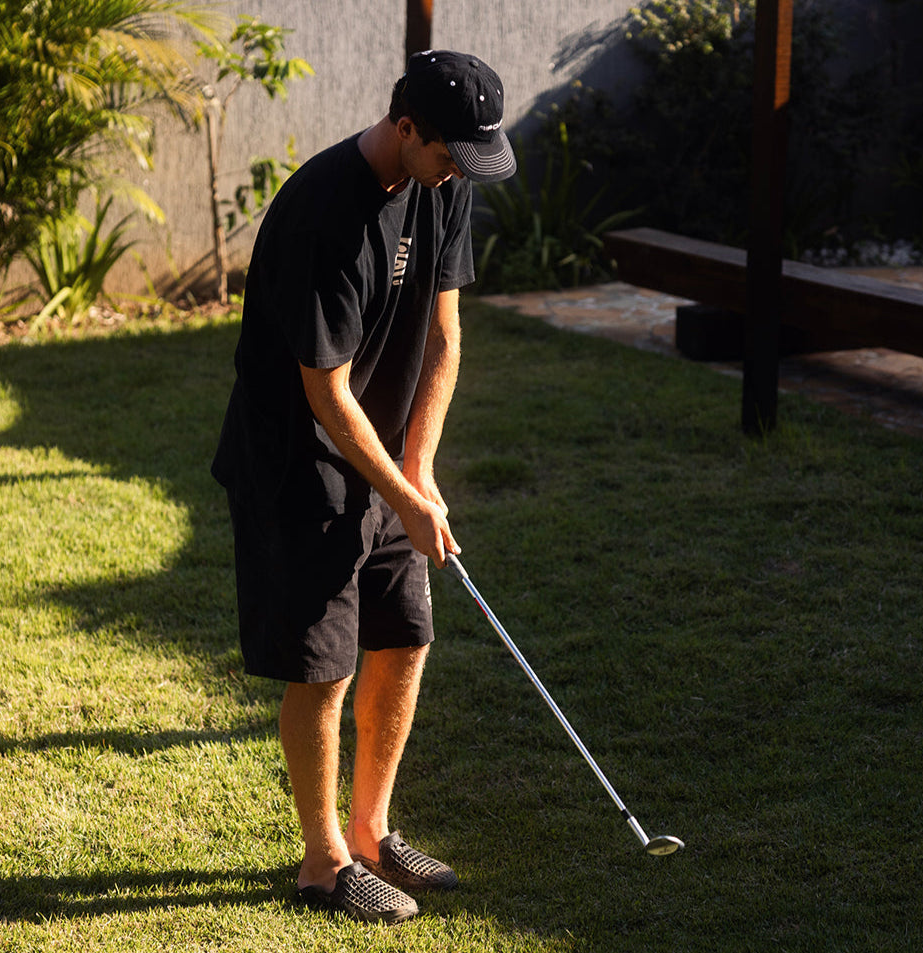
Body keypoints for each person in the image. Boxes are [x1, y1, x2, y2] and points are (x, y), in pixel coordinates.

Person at [211, 50, 516, 925]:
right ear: (405, 126)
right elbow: (325, 393)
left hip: (383, 457)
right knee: (326, 667)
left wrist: (418, 471)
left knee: (406, 636)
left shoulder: (445, 181)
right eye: (451, 151)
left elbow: (446, 341)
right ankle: (322, 863)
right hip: (298, 463)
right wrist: (404, 491)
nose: (461, 169)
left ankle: (375, 832)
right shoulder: (323, 215)